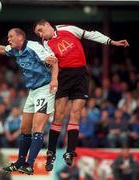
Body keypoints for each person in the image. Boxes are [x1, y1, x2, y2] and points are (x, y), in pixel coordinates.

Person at [33, 19, 129, 171]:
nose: (40, 34)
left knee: (76, 114)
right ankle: (51, 153)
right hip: (63, 77)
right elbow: (53, 64)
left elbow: (91, 35)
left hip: (81, 75)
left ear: (47, 26)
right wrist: (53, 78)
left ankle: (70, 152)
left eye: (40, 30)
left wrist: (112, 42)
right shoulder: (45, 44)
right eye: (37, 33)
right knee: (59, 115)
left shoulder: (68, 28)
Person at [0, 27, 58, 175]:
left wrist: (54, 79)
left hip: (45, 89)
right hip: (32, 91)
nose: (8, 40)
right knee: (24, 129)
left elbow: (53, 61)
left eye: (11, 37)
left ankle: (29, 164)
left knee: (37, 128)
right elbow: (2, 49)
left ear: (20, 37)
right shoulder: (16, 49)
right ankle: (20, 162)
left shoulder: (34, 47)